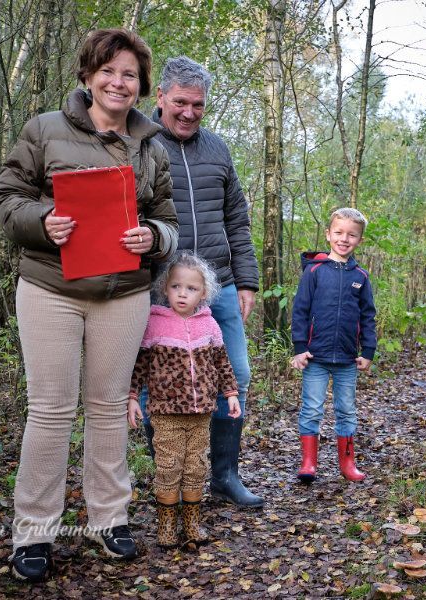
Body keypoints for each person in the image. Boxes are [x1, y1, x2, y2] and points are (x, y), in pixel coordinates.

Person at [0, 29, 178, 582]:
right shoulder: (44, 129)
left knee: (109, 407)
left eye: (130, 74)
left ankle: (108, 519)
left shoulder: (152, 146)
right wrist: (43, 222)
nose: (119, 82)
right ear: (88, 76)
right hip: (51, 289)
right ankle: (33, 533)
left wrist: (154, 237)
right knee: (50, 410)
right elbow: (5, 199)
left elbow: (168, 219)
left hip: (124, 294)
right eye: (108, 71)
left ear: (142, 85)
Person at [140, 56, 263, 508]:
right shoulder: (140, 144)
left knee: (237, 375)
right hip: (159, 287)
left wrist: (246, 281)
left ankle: (225, 477)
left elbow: (237, 219)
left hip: (219, 286)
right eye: (180, 103)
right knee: (159, 384)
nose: (189, 113)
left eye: (198, 104)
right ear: (161, 97)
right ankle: (170, 477)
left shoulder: (217, 149)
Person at [128, 252, 240, 548]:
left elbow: (222, 363)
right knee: (168, 465)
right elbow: (140, 364)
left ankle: (191, 523)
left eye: (191, 288)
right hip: (165, 412)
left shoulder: (209, 324)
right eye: (176, 286)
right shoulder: (155, 323)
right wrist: (132, 396)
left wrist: (231, 394)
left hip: (201, 412)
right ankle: (166, 525)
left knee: (196, 466)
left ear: (203, 293)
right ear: (165, 288)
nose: (182, 293)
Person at [290, 208, 377, 483]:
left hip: (347, 359)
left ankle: (348, 464)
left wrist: (368, 351)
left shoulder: (360, 277)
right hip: (315, 356)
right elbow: (300, 311)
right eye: (338, 232)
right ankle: (308, 463)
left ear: (360, 240)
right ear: (328, 234)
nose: (344, 239)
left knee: (346, 410)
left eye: (351, 235)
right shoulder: (314, 271)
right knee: (312, 409)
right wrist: (299, 347)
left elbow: (368, 316)